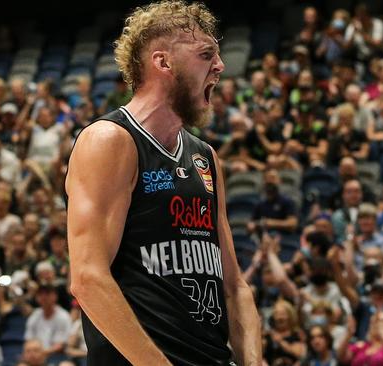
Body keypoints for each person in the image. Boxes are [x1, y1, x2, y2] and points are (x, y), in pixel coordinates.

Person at [65, 2, 260, 365]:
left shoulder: (205, 156)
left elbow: (234, 287)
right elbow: (88, 279)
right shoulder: (110, 140)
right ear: (163, 62)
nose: (220, 66)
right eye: (206, 55)